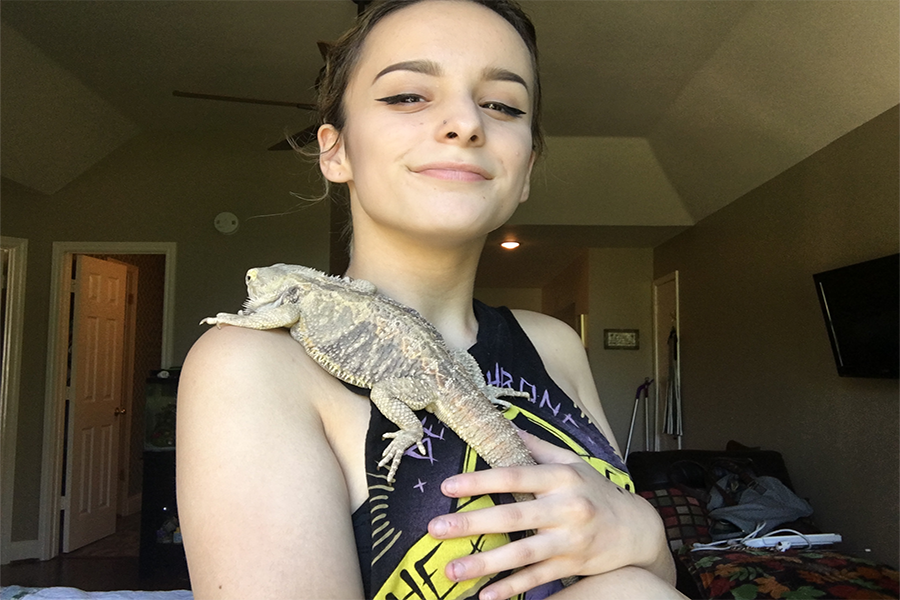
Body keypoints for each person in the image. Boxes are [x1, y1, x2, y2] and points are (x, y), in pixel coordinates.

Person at [177, 1, 686, 598]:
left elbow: (648, 572)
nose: (466, 122)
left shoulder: (554, 343)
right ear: (335, 151)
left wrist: (646, 536)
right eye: (407, 96)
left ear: (524, 171)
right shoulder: (248, 364)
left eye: (502, 105)